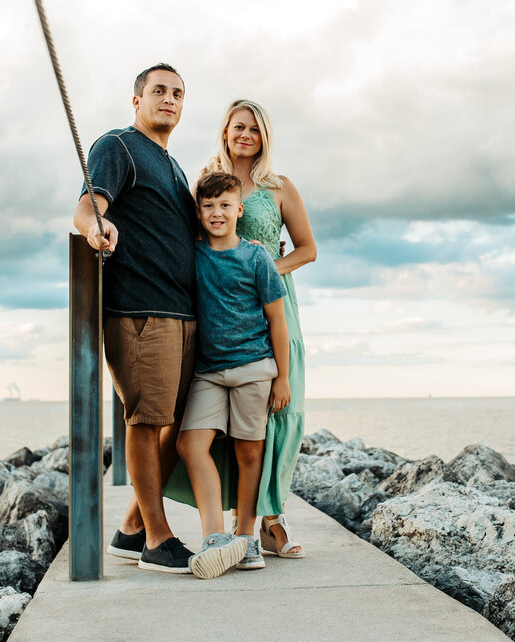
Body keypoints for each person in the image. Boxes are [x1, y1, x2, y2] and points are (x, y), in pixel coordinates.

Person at [72, 63, 199, 574]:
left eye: (178, 93)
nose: (169, 99)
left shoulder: (173, 164)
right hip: (141, 311)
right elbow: (87, 208)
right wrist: (93, 228)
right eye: (159, 91)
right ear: (137, 100)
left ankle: (130, 529)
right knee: (146, 422)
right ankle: (157, 538)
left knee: (182, 422)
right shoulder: (118, 147)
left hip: (184, 312)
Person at [206, 99, 316, 558]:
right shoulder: (212, 183)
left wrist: (269, 265)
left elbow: (307, 248)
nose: (245, 134)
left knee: (281, 408)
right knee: (233, 415)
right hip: (227, 306)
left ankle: (273, 516)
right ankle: (244, 517)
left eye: (253, 128)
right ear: (226, 132)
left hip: (275, 305)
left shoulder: (279, 186)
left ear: (264, 135)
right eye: (238, 127)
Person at [179, 171, 291, 579]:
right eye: (208, 206)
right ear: (198, 211)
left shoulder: (257, 256)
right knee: (191, 445)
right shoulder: (192, 253)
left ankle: (246, 537)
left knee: (249, 453)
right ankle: (215, 538)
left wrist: (283, 377)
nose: (216, 213)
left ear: (239, 210)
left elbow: (277, 320)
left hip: (254, 367)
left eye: (225, 205)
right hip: (208, 371)